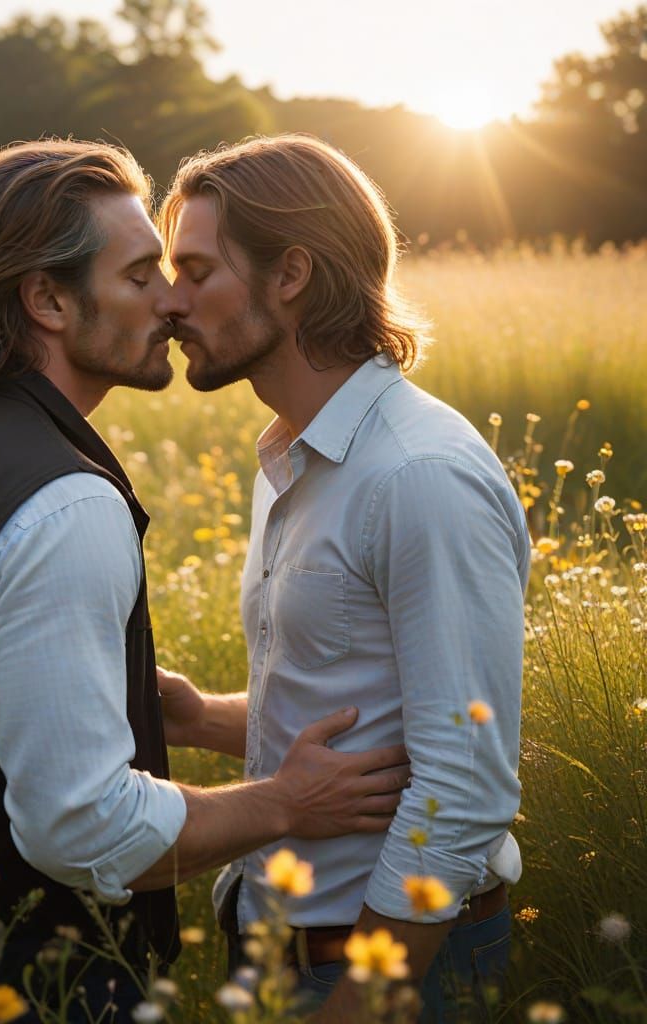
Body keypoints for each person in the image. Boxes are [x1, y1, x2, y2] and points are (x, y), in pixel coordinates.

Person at [0, 139, 411, 1023]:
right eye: (139, 277)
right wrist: (283, 802)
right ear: (47, 299)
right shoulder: (63, 502)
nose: (171, 301)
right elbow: (84, 825)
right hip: (22, 988)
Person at [156, 134, 529, 1023]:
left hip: (385, 966)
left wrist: (358, 1000)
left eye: (197, 270)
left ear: (290, 275)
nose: (170, 301)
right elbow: (366, 712)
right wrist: (199, 718)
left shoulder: (417, 475)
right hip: (276, 944)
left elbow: (466, 779)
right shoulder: (294, 454)